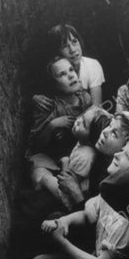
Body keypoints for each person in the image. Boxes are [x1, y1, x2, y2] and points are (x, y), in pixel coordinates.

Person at [28, 56, 92, 191]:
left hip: (75, 155)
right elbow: (36, 145)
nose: (70, 76)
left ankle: (73, 193)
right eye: (62, 74)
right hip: (49, 157)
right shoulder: (48, 106)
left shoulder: (85, 99)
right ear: (54, 84)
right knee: (39, 176)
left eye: (71, 70)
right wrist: (52, 125)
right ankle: (64, 193)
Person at [38, 106, 111, 211]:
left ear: (91, 141)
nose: (78, 121)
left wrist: (65, 162)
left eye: (84, 124)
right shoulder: (82, 140)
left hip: (69, 196)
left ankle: (38, 191)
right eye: (81, 117)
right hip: (72, 182)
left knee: (44, 179)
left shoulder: (84, 156)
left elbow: (66, 181)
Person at [49, 24, 105, 106]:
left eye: (74, 42)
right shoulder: (54, 71)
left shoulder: (92, 65)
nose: (72, 50)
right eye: (64, 46)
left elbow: (97, 107)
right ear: (57, 52)